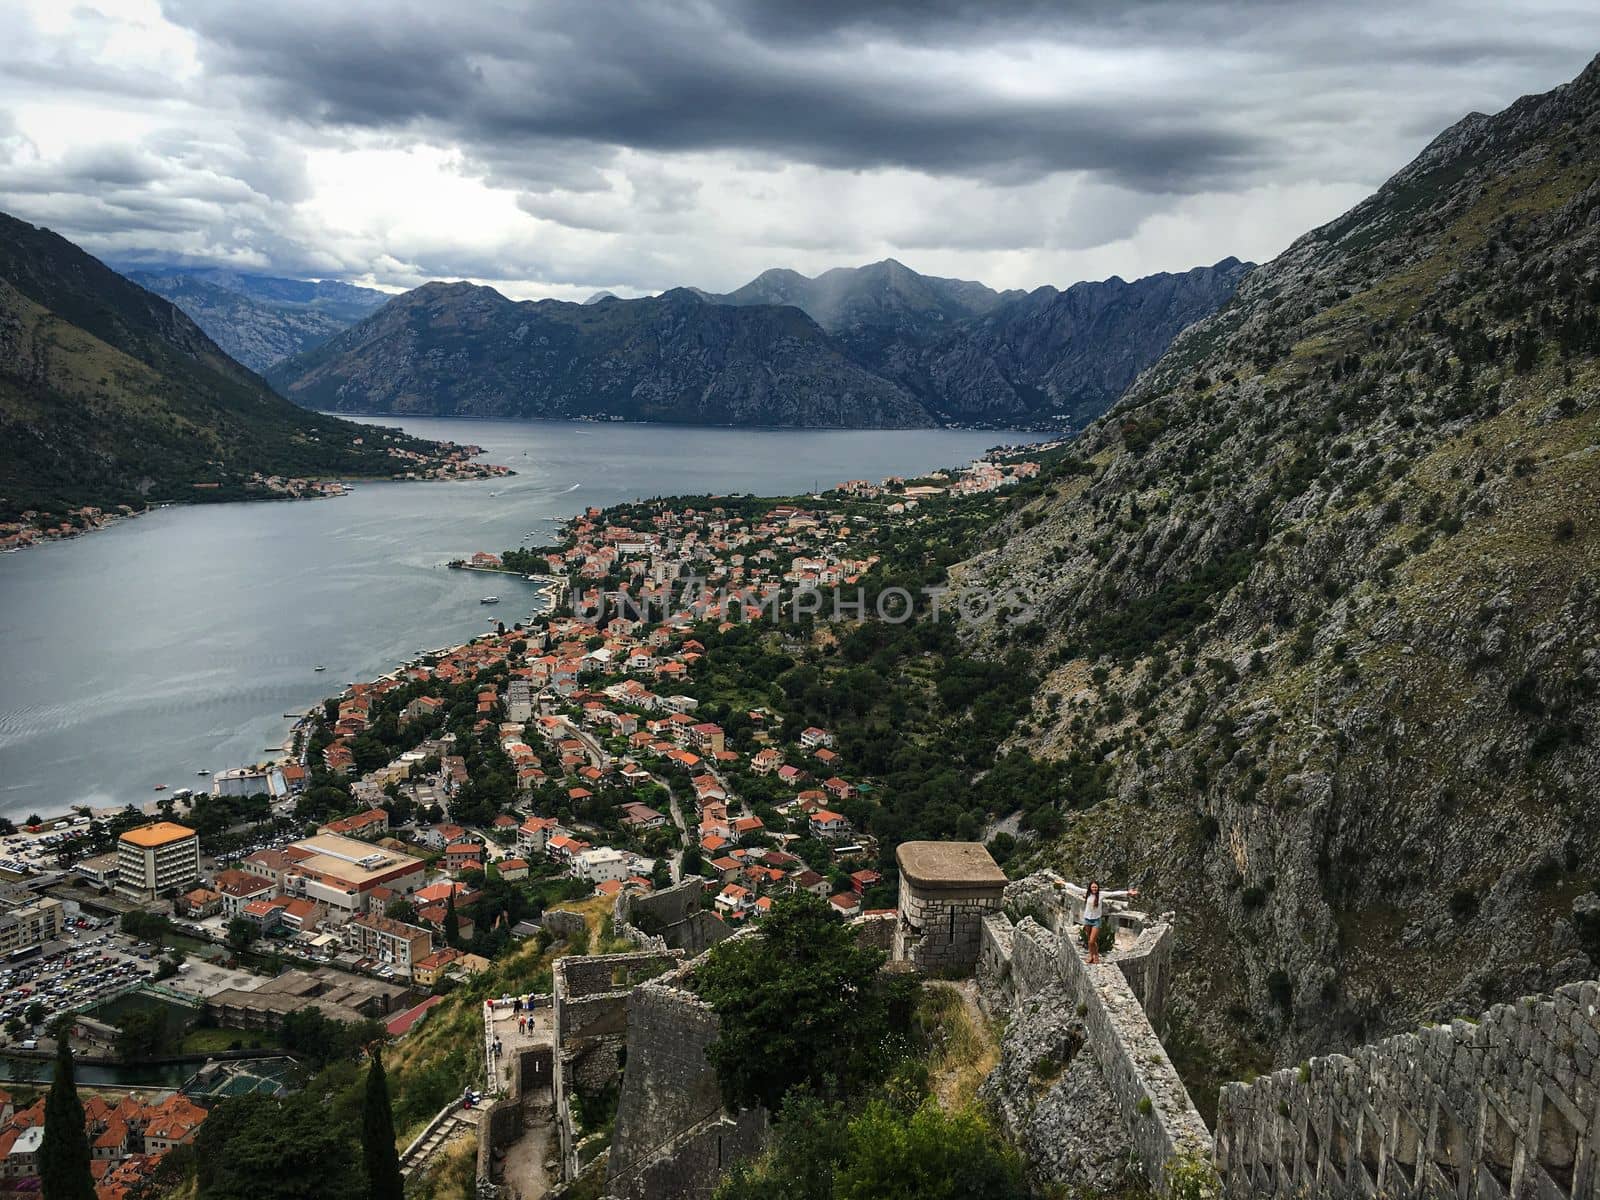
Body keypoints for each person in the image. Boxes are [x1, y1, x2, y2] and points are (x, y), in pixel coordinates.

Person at [1081, 880, 1138, 964]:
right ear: (1090, 887)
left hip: (1096, 920)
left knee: (1092, 940)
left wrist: (1128, 892)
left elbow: (1114, 893)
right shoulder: (1087, 893)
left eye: (1096, 887)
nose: (1094, 889)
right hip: (1087, 920)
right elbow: (1074, 888)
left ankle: (1095, 955)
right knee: (1090, 940)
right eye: (1093, 887)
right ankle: (1091, 956)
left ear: (1098, 888)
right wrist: (1063, 883)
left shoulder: (1101, 894)